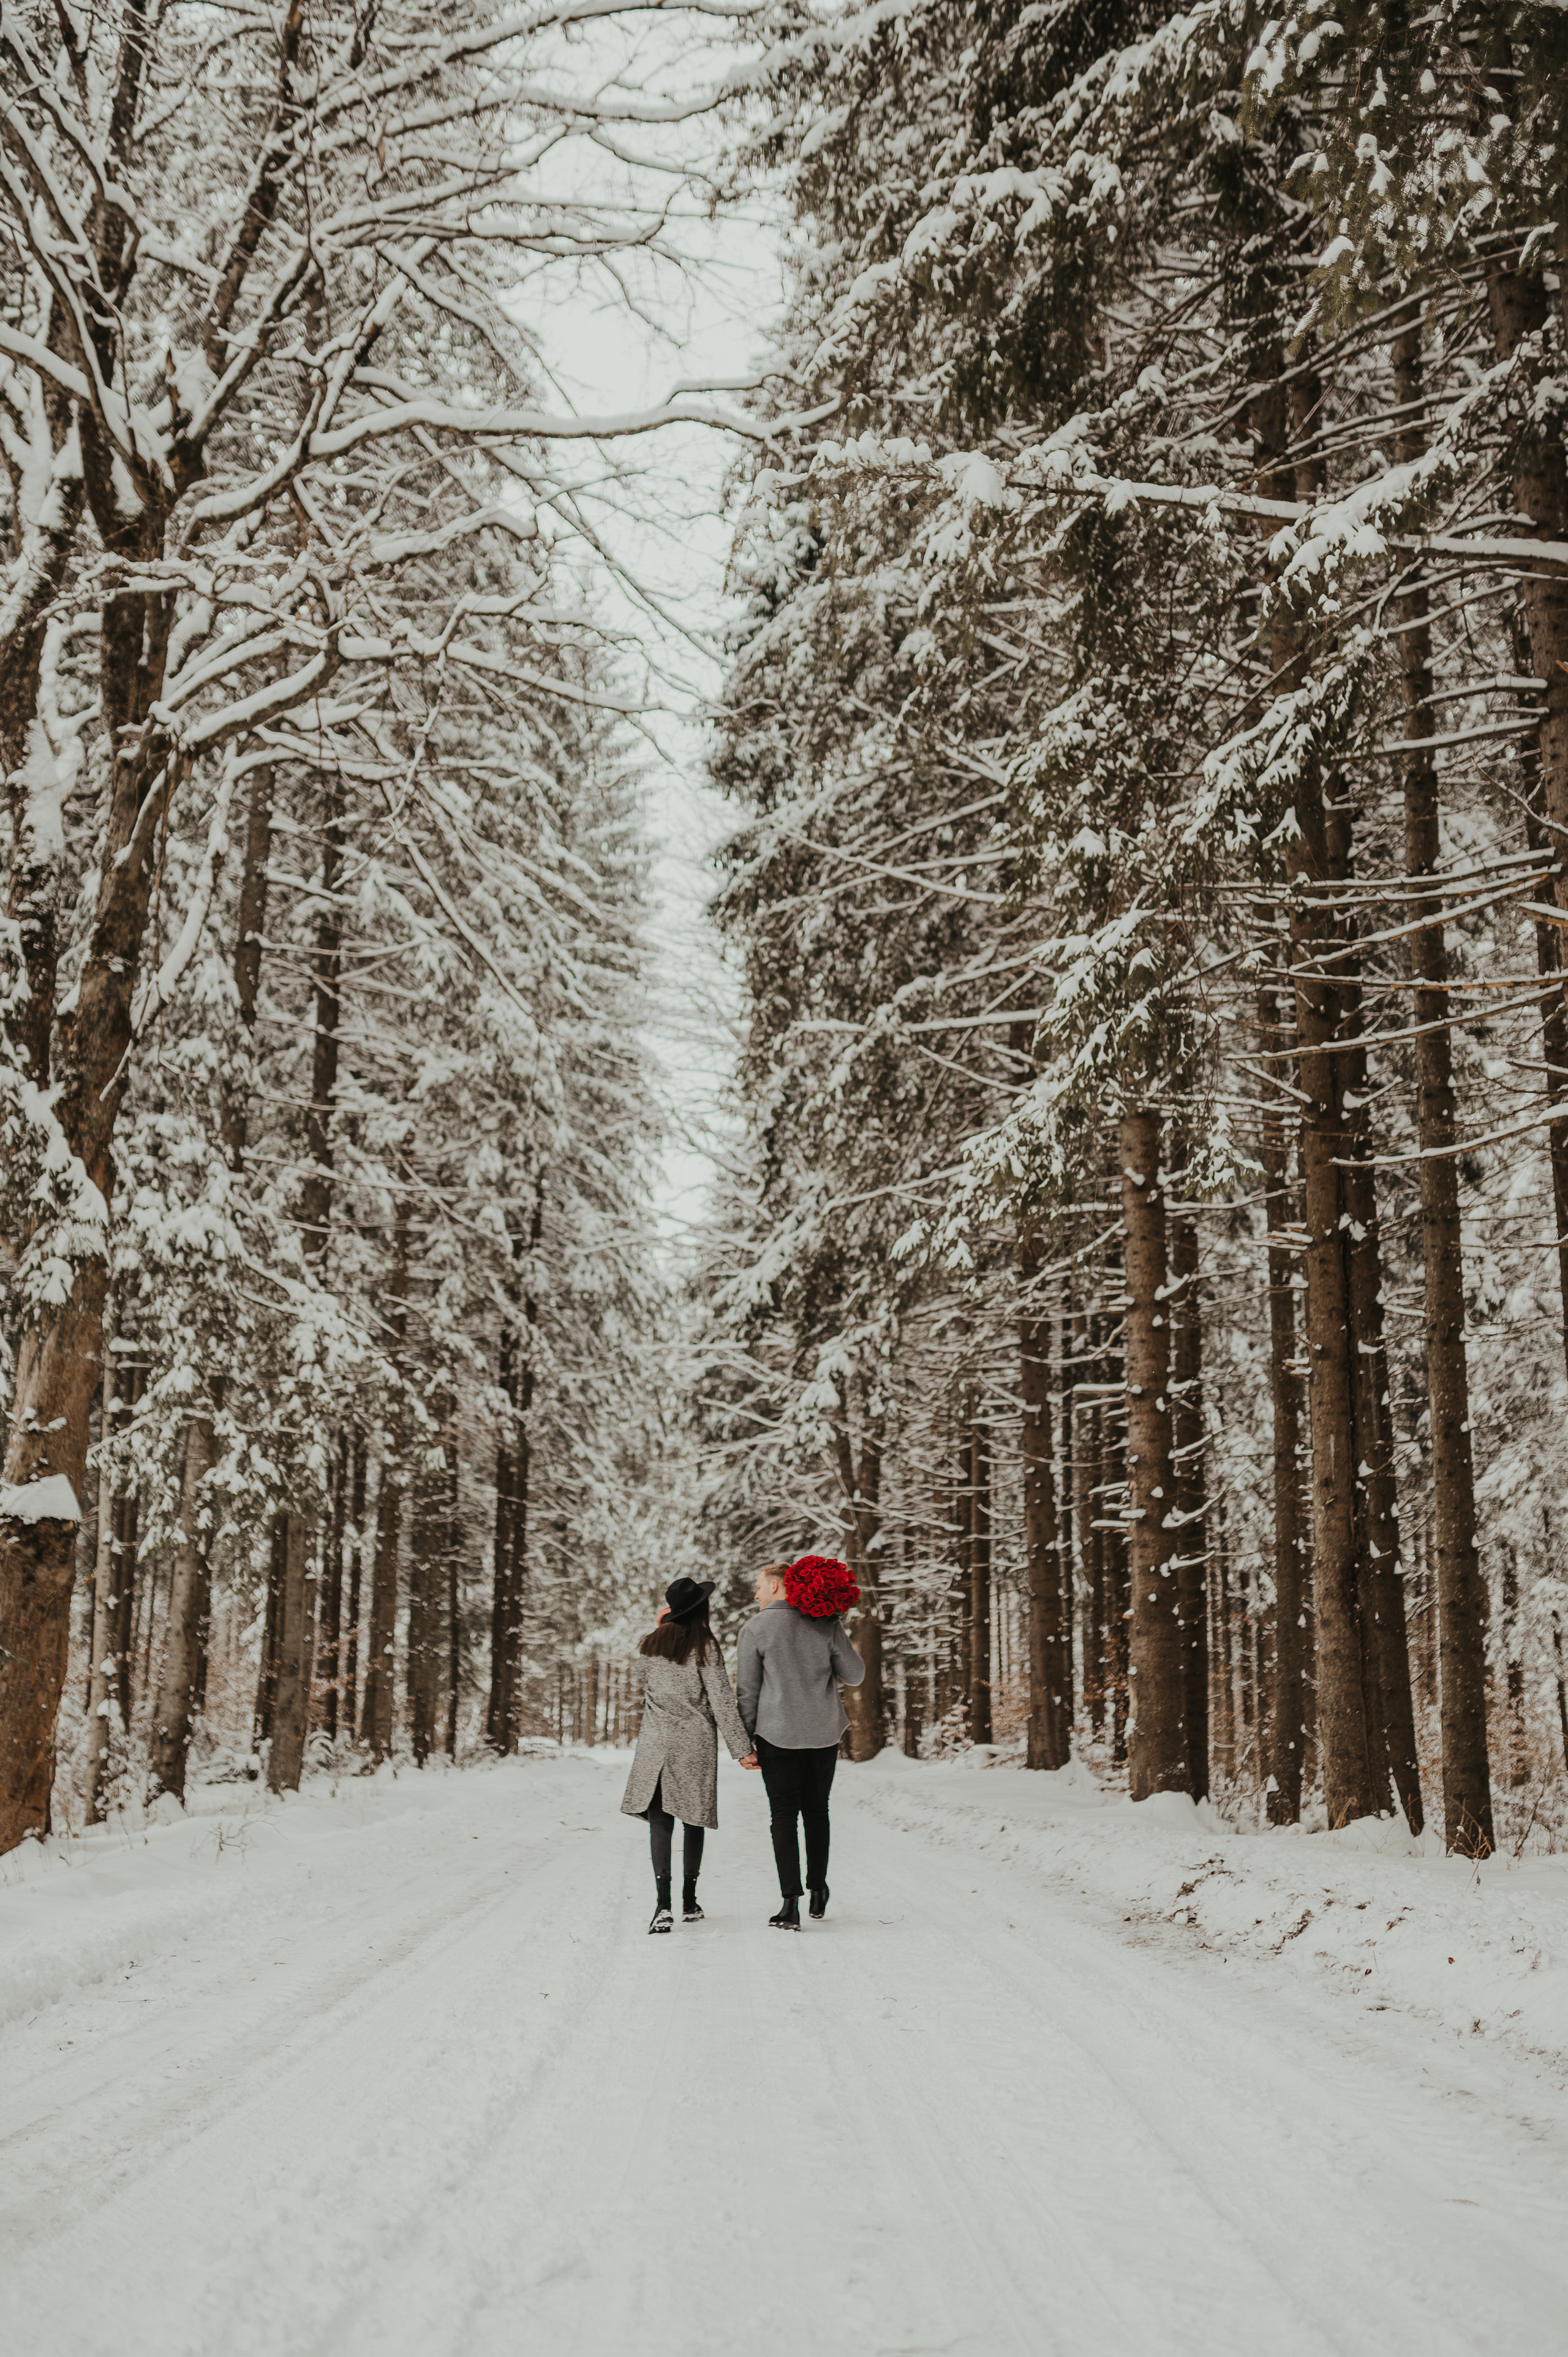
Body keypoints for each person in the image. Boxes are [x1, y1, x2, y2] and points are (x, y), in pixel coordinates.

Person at [621, 1576, 758, 1934]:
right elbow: (722, 1700)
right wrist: (742, 1750)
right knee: (692, 1819)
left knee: (661, 1822)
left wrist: (660, 1628)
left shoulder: (650, 1644)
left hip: (656, 1741)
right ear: (701, 1609)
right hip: (694, 1742)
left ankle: (662, 1906)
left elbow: (644, 1684)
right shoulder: (704, 1645)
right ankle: (689, 1901)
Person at [736, 1559, 864, 1930]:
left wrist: (745, 1742)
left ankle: (790, 1903)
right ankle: (819, 1888)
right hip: (823, 1734)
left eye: (760, 1585)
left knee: (783, 1817)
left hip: (777, 1736)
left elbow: (748, 1691)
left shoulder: (756, 1628)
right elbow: (855, 1675)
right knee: (817, 1812)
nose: (756, 1592)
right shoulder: (826, 1624)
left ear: (777, 1586)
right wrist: (834, 1630)